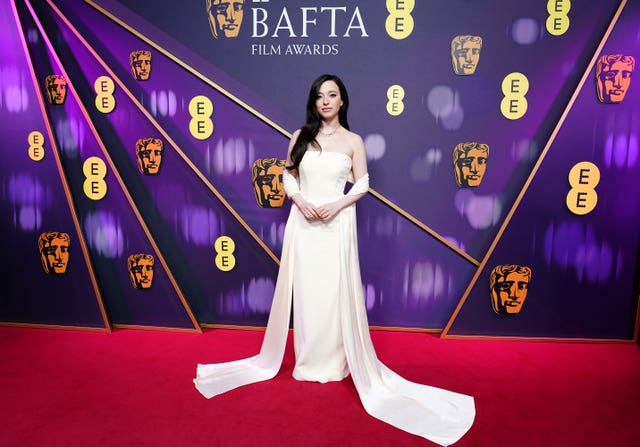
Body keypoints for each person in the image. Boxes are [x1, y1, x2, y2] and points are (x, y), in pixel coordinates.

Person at [194, 74, 475, 446]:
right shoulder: (299, 137)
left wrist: (336, 204)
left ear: (342, 101)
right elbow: (287, 175)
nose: (326, 101)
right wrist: (301, 201)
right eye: (320, 96)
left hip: (337, 225)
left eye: (332, 95)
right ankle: (308, 362)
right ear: (314, 102)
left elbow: (362, 184)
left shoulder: (353, 141)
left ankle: (337, 362)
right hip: (304, 224)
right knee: (308, 294)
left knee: (334, 292)